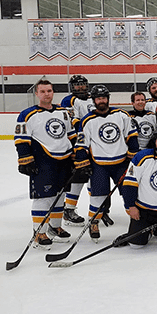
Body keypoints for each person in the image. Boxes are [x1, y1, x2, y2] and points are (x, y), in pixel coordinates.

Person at [74, 84, 139, 241]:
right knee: (98, 196)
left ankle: (137, 222)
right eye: (98, 98)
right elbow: (81, 144)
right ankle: (93, 222)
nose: (101, 101)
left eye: (103, 98)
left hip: (121, 163)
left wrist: (133, 154)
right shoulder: (87, 120)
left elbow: (132, 135)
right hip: (99, 165)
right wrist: (82, 161)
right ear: (94, 100)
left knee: (129, 193)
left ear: (108, 99)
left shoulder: (121, 115)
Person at [15, 79, 75, 249]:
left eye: (49, 90)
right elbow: (21, 139)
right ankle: (38, 232)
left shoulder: (63, 112)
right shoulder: (27, 114)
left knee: (61, 194)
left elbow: (71, 135)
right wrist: (25, 159)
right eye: (43, 91)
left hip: (64, 159)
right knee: (43, 197)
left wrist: (75, 156)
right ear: (36, 94)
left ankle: (55, 227)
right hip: (43, 161)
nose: (46, 94)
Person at [60, 74, 94, 226]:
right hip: (79, 143)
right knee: (79, 177)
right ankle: (68, 208)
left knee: (95, 176)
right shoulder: (69, 100)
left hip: (96, 143)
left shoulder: (94, 98)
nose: (80, 87)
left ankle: (99, 208)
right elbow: (72, 123)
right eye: (77, 85)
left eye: (82, 84)